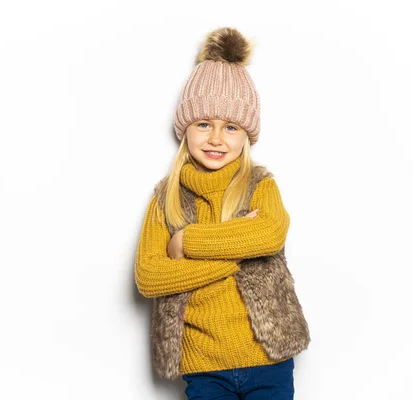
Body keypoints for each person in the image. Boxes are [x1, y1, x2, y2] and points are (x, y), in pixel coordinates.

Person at [134, 27, 310, 400]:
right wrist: (236, 253)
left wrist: (186, 241)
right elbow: (150, 275)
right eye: (204, 124)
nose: (216, 138)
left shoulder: (260, 184)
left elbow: (269, 234)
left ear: (246, 135)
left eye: (230, 127)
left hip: (268, 357)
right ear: (186, 130)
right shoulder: (166, 198)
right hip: (203, 363)